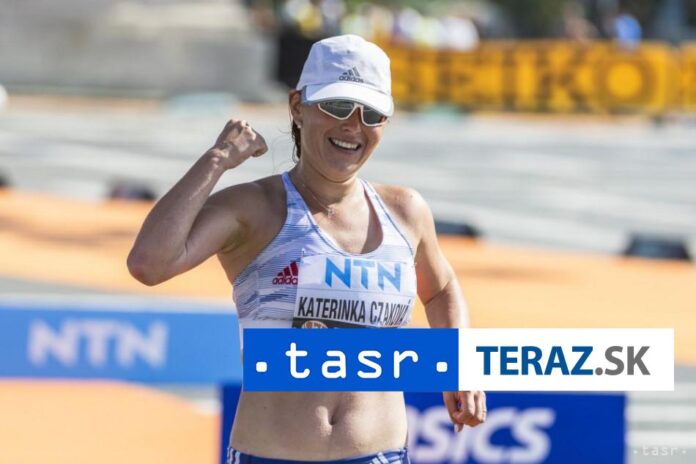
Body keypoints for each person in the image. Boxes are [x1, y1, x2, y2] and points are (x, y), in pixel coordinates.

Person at [128, 34, 486, 464]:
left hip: (381, 454)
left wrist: (459, 363)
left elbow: (441, 289)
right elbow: (149, 264)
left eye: (371, 113)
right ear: (298, 106)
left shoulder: (405, 211)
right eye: (337, 106)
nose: (353, 125)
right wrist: (218, 158)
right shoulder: (256, 208)